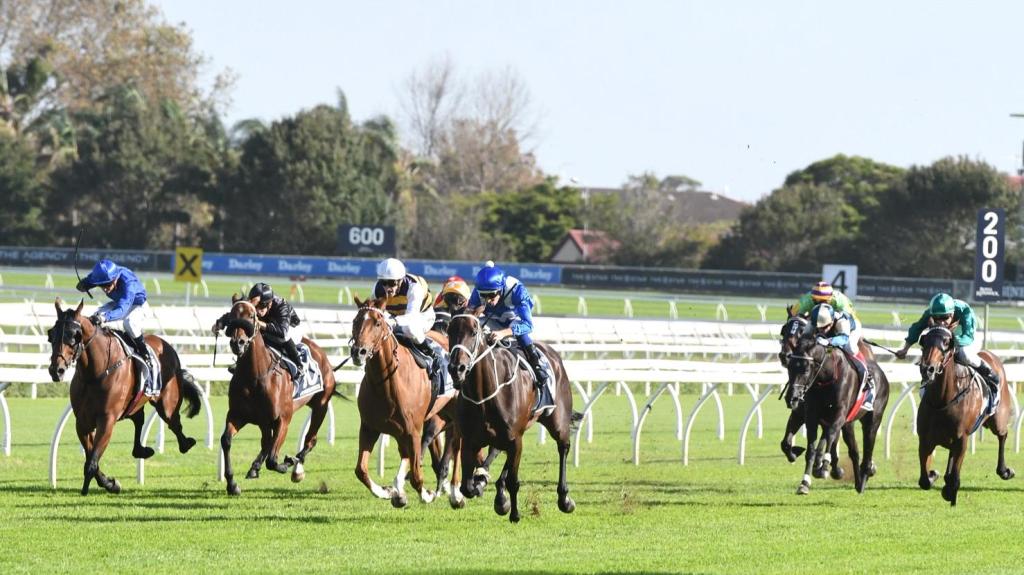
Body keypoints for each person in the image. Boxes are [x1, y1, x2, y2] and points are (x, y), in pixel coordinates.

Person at [468, 261, 554, 416]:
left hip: (514, 320)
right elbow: (469, 317)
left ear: (501, 289)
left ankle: (539, 371)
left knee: (522, 335)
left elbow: (528, 325)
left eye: (491, 295)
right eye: (483, 296)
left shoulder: (517, 290)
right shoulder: (478, 291)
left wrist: (503, 333)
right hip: (491, 320)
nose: (487, 300)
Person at [894, 293, 1000, 415]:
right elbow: (916, 328)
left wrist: (952, 343)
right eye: (937, 318)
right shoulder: (931, 311)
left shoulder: (964, 311)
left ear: (952, 313)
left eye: (945, 318)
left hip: (965, 334)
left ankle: (992, 377)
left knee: (964, 354)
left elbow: (968, 336)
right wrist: (905, 348)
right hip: (945, 336)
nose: (941, 322)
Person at [76, 258, 157, 396]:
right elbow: (87, 282)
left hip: (137, 305)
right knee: (94, 316)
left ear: (115, 278)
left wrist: (104, 318)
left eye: (107, 284)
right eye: (101, 285)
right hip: (119, 302)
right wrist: (83, 285)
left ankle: (146, 354)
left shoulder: (128, 283)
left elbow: (122, 309)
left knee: (129, 323)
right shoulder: (102, 275)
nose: (105, 288)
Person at [372, 258, 449, 387]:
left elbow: (411, 316)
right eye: (384, 283)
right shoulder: (376, 290)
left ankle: (431, 355)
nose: (387, 288)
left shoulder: (414, 287)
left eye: (391, 283)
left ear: (400, 280)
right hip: (395, 316)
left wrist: (392, 321)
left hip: (422, 316)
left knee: (410, 329)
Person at [212, 282, 304, 383]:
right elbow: (238, 314)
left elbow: (282, 331)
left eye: (261, 306)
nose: (258, 310)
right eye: (256, 306)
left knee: (283, 337)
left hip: (291, 327)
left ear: (269, 304)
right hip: (270, 325)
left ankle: (299, 365)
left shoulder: (281, 306)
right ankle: (241, 364)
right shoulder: (255, 303)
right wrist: (220, 323)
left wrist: (259, 323)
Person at [810, 303, 874, 411]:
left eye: (824, 327)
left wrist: (828, 341)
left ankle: (868, 379)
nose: (821, 331)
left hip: (851, 330)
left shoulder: (842, 322)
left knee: (851, 348)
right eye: (818, 328)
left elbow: (843, 339)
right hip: (835, 332)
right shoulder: (815, 322)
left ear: (831, 322)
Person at [790, 281, 859, 322]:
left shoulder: (840, 300)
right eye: (817, 301)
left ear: (831, 298)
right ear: (812, 298)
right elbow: (793, 315)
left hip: (841, 316)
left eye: (824, 301)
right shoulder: (806, 300)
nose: (821, 304)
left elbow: (849, 318)